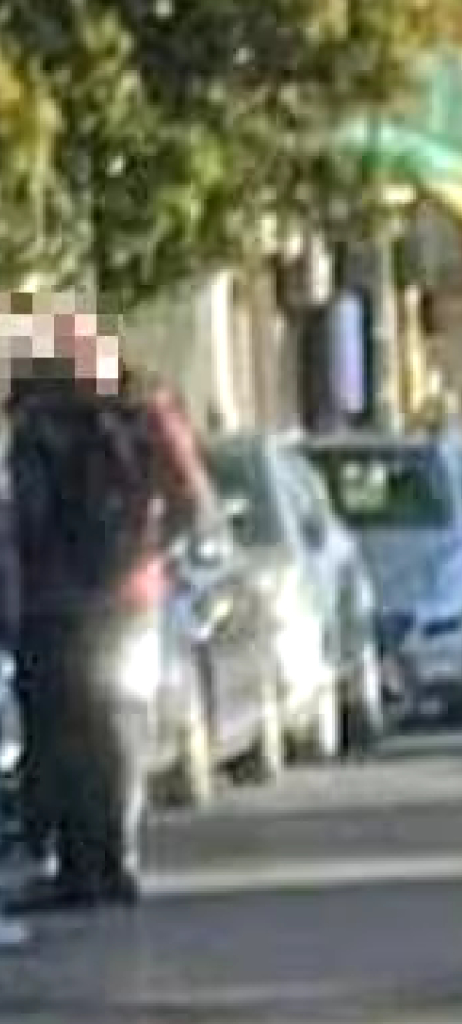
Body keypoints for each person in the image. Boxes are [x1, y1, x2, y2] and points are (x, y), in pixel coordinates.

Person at [5, 318, 211, 911]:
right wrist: (146, 553)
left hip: (52, 600)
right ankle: (116, 859)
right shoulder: (145, 411)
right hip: (128, 599)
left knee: (58, 728)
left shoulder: (35, 419)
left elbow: (19, 519)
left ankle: (74, 863)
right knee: (117, 728)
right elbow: (191, 502)